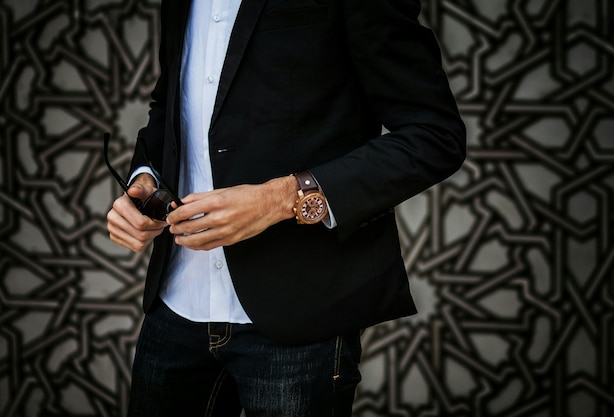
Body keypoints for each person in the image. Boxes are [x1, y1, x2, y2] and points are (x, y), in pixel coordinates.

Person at [106, 0, 466, 416]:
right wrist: (143, 181)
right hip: (174, 306)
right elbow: (171, 106)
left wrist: (282, 198)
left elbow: (434, 135)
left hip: (302, 314)